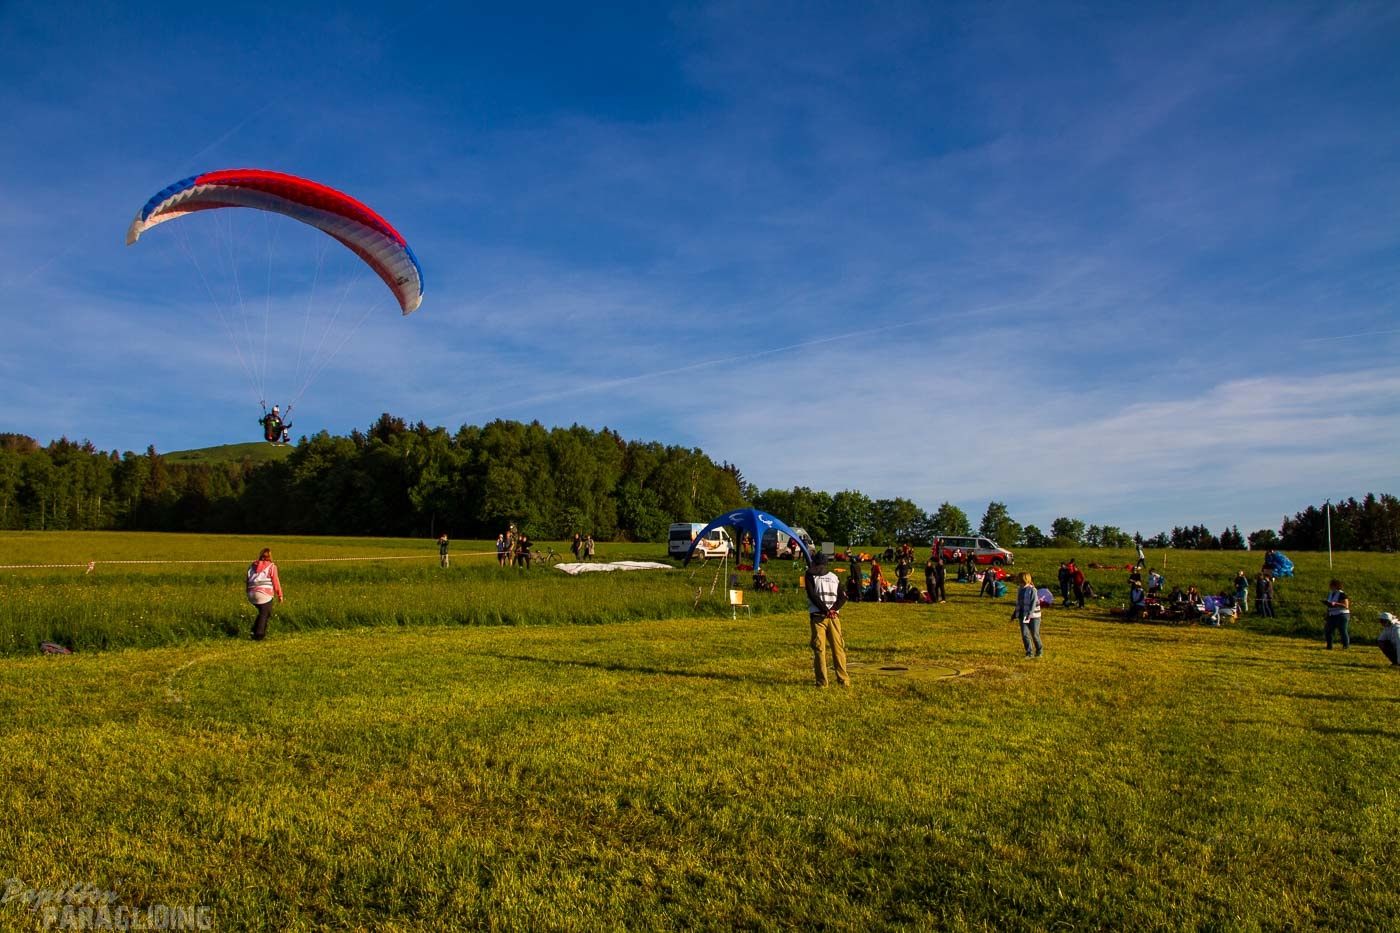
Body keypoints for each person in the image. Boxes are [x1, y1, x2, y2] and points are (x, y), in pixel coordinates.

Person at [804, 551, 849, 687]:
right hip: (834, 617)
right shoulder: (834, 577)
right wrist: (833, 609)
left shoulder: (810, 576)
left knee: (819, 650)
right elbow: (843, 597)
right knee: (838, 649)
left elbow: (813, 596)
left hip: (818, 617)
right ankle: (843, 680)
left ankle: (822, 682)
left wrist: (825, 610)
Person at [245, 547, 283, 640]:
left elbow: (247, 580)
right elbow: (275, 581)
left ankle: (254, 630)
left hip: (251, 593)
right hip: (263, 594)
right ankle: (259, 634)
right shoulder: (272, 566)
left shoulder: (251, 566)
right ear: (270, 556)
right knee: (265, 613)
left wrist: (248, 592)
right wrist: (280, 595)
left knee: (263, 612)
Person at [1011, 571, 1043, 658]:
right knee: (1025, 635)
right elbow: (1019, 603)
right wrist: (1015, 613)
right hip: (1023, 615)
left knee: (1035, 634)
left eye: (1019, 578)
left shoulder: (1032, 590)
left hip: (1034, 616)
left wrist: (1030, 614)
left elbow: (1033, 603)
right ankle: (1029, 653)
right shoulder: (1019, 589)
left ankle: (1039, 651)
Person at [1325, 579, 1351, 649]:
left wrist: (1335, 604)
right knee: (1328, 631)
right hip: (1332, 614)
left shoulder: (1342, 594)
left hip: (1342, 615)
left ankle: (1346, 646)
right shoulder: (1331, 594)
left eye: (1331, 585)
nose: (1330, 587)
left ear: (1335, 586)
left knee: (1342, 631)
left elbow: (1346, 605)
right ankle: (1329, 646)